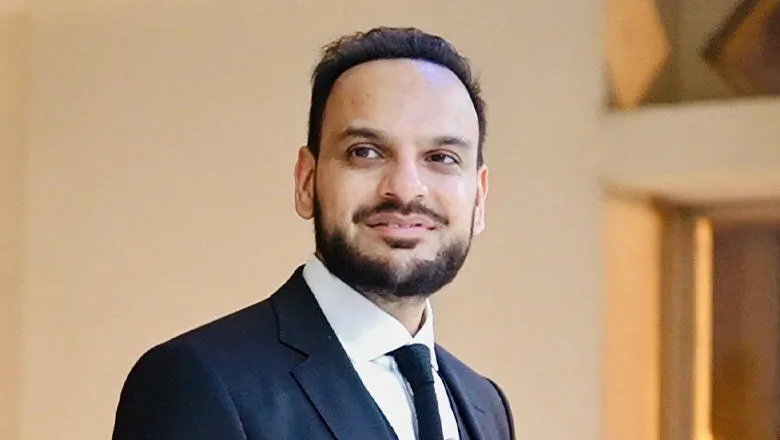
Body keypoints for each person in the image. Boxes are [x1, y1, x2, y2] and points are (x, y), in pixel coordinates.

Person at [111, 26, 515, 440]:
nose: (406, 187)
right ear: (306, 182)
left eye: (442, 157)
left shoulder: (485, 406)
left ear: (479, 199)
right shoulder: (196, 383)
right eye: (366, 152)